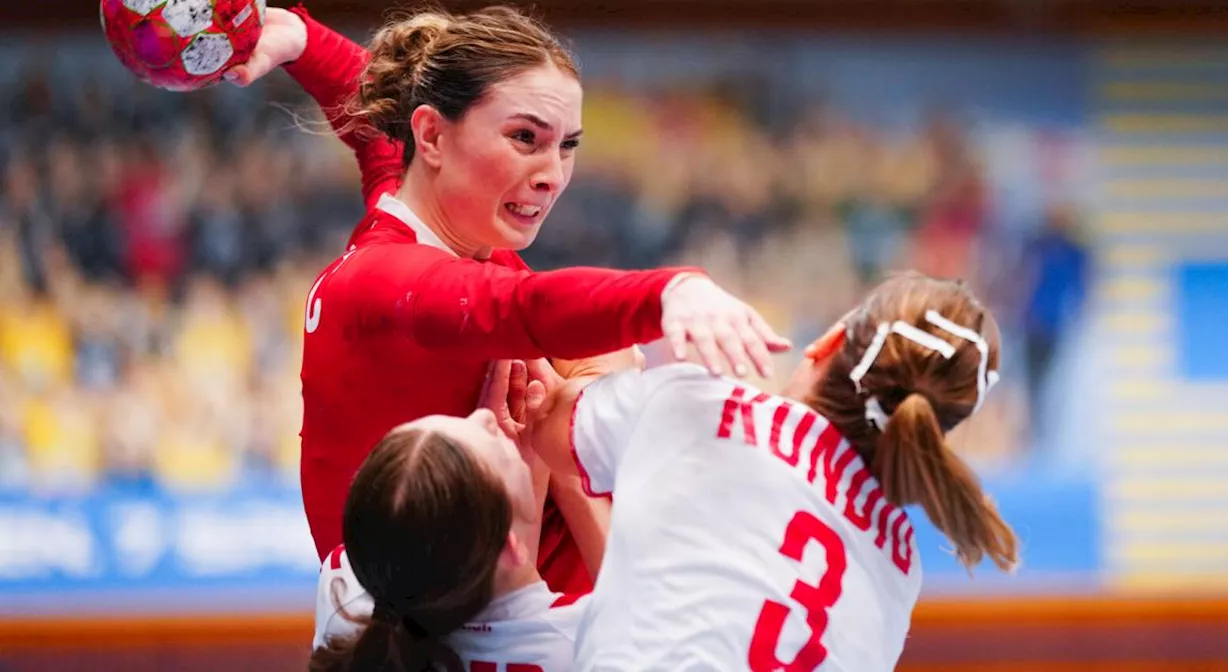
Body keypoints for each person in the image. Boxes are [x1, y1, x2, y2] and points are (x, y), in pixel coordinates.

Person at [227, 4, 790, 594]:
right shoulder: (385, 281)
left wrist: (302, 40)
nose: (553, 174)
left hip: (514, 605)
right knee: (590, 382)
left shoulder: (426, 209)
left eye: (567, 145)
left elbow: (382, 125)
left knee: (597, 380)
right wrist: (671, 290)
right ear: (433, 135)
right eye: (526, 138)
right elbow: (524, 308)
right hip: (446, 640)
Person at [525, 271, 1019, 671]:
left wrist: (608, 364)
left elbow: (546, 422)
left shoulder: (710, 408)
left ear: (828, 342)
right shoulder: (900, 565)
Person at [309, 360, 590, 672]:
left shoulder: (347, 596)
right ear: (510, 545)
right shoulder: (580, 644)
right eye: (494, 446)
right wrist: (572, 473)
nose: (485, 415)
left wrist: (522, 487)